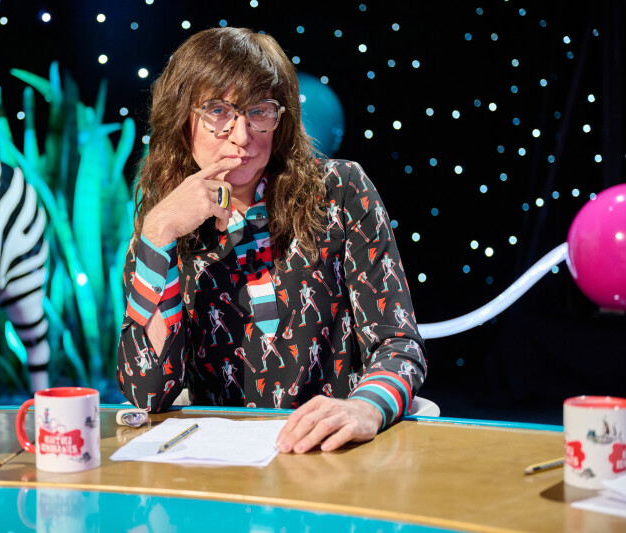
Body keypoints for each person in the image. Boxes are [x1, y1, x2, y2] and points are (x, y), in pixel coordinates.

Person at [117, 27, 427, 453]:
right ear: (181, 117)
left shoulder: (340, 190)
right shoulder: (163, 229)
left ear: (281, 120)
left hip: (331, 456)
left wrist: (365, 407)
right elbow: (146, 393)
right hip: (219, 470)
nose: (242, 136)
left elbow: (399, 345)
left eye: (259, 111)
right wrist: (158, 235)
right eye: (218, 110)